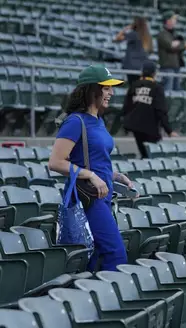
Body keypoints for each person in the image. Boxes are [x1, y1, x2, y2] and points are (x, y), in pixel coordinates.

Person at [48, 65, 132, 272]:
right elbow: (56, 162)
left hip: (102, 194)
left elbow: (92, 160)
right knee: (116, 253)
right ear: (90, 90)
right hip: (88, 198)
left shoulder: (98, 120)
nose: (111, 93)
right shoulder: (75, 122)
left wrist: (116, 176)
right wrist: (91, 175)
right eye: (106, 88)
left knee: (98, 255)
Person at [122, 60, 178, 158]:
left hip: (136, 127)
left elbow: (127, 106)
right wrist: (169, 130)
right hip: (150, 127)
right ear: (154, 73)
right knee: (151, 156)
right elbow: (161, 110)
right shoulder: (157, 87)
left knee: (144, 154)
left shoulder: (134, 85)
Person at [113, 16, 152, 86]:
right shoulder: (148, 36)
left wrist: (126, 28)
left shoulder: (133, 34)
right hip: (142, 66)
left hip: (132, 66)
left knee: (133, 86)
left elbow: (117, 39)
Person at [157, 10, 186, 91]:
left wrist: (179, 44)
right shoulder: (162, 34)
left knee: (176, 91)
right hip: (167, 67)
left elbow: (185, 45)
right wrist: (181, 45)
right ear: (168, 21)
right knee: (168, 91)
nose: (175, 21)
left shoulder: (175, 34)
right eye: (173, 19)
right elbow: (170, 46)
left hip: (177, 66)